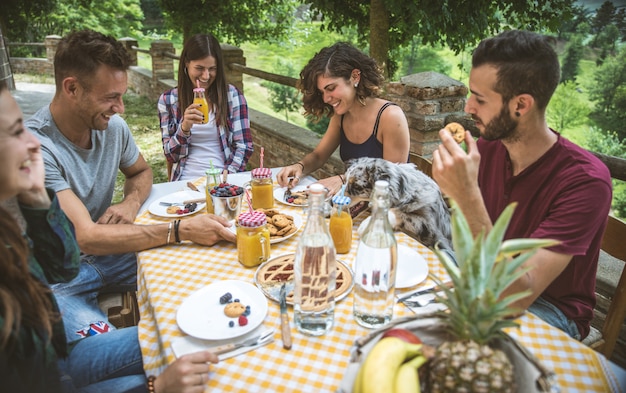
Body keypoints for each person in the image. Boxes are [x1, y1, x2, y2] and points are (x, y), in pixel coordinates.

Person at [25, 29, 235, 371]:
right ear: (71, 88)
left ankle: (215, 333)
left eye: (121, 97)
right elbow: (85, 235)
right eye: (111, 97)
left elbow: (140, 173)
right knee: (88, 359)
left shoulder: (113, 127)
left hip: (111, 255)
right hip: (55, 278)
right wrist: (177, 230)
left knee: (204, 258)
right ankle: (213, 343)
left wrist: (129, 204)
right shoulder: (36, 149)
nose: (120, 108)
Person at [0, 80, 220, 392]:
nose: (32, 142)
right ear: (72, 88)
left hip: (62, 353)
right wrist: (155, 388)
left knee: (199, 334)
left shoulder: (6, 230)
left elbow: (64, 265)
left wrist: (38, 197)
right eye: (14, 131)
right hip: (60, 375)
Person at [432, 29, 612, 340]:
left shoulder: (585, 181)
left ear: (521, 105)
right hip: (482, 280)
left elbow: (518, 294)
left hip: (548, 308)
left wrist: (465, 196)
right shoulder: (487, 148)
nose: (467, 108)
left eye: (480, 98)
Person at [276, 42, 410, 196]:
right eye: (322, 92)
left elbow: (393, 179)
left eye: (331, 88)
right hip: (350, 202)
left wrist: (346, 178)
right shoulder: (341, 116)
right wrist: (300, 166)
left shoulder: (390, 116)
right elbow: (319, 156)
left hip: (385, 210)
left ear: (355, 77)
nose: (326, 99)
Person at [158, 33, 253, 181]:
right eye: (199, 68)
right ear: (186, 64)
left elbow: (244, 146)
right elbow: (171, 155)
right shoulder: (168, 100)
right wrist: (184, 128)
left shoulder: (232, 96)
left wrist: (229, 175)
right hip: (186, 181)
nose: (206, 76)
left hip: (223, 179)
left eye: (212, 69)